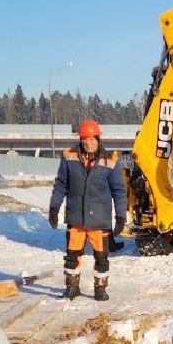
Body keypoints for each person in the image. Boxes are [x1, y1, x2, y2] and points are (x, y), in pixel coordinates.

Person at [49, 119, 126, 301]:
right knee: (72, 255)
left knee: (101, 257)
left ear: (98, 139)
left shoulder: (110, 161)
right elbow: (61, 184)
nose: (88, 142)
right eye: (85, 139)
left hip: (99, 220)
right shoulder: (69, 157)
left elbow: (118, 191)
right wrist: (54, 207)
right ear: (80, 139)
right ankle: (72, 287)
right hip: (76, 218)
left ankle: (100, 289)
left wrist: (121, 216)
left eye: (91, 139)